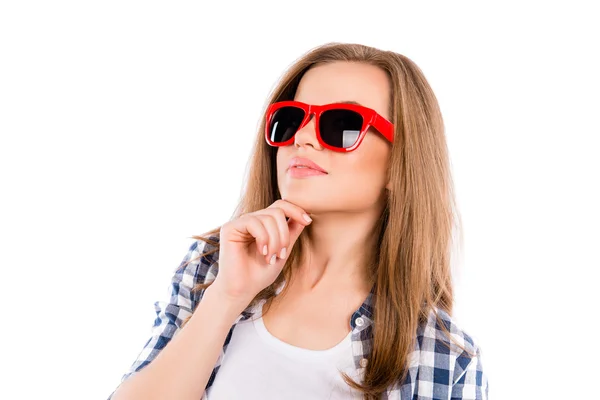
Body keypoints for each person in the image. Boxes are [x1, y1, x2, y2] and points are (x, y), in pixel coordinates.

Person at [107, 42, 489, 400]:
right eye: (291, 119)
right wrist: (226, 297)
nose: (302, 137)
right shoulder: (212, 266)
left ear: (400, 163)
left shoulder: (442, 356)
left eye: (342, 124)